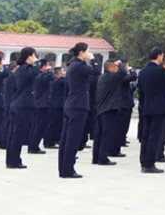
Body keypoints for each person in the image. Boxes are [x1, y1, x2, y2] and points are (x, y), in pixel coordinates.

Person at [58, 43, 101, 178]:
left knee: (66, 138)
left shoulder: (72, 66)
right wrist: (93, 59)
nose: (89, 53)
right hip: (78, 106)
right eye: (88, 51)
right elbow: (97, 71)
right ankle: (68, 169)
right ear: (82, 52)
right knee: (72, 139)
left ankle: (64, 168)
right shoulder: (79, 66)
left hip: (71, 105)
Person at [137, 48, 165, 174]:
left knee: (146, 135)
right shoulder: (159, 71)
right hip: (158, 107)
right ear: (159, 56)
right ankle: (149, 163)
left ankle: (143, 161)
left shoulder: (143, 72)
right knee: (155, 136)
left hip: (147, 106)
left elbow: (140, 91)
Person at [7, 47, 39, 168]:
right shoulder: (28, 69)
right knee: (18, 134)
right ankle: (14, 161)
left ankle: (11, 159)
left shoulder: (20, 69)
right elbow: (37, 72)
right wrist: (36, 62)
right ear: (30, 56)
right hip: (23, 105)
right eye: (34, 55)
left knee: (14, 134)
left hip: (17, 103)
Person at [93, 60, 128, 166]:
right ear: (111, 67)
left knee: (99, 135)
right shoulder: (111, 78)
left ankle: (96, 157)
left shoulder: (101, 77)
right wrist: (120, 64)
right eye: (115, 67)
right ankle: (103, 158)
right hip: (109, 109)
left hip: (101, 109)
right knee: (106, 134)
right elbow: (123, 73)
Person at [28, 59, 53, 153]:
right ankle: (34, 146)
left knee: (35, 126)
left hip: (38, 103)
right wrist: (49, 70)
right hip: (42, 104)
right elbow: (50, 77)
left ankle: (32, 145)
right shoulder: (41, 76)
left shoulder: (38, 76)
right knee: (39, 126)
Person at [44, 67, 66, 149]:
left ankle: (53, 140)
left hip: (56, 105)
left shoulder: (54, 81)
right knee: (54, 125)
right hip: (56, 106)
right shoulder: (57, 81)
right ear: (59, 73)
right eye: (63, 71)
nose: (64, 73)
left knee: (55, 125)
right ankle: (50, 141)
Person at [0, 63, 17, 150]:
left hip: (6, 100)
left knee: (5, 122)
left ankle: (2, 141)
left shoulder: (6, 77)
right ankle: (4, 141)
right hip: (10, 101)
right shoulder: (12, 77)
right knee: (7, 123)